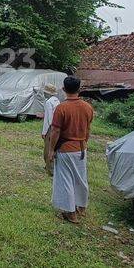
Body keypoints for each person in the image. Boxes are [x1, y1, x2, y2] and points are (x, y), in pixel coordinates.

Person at [44, 76, 94, 223]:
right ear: (79, 89)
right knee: (80, 179)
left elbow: (55, 131)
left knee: (66, 179)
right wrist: (84, 142)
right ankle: (81, 207)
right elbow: (88, 129)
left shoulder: (62, 108)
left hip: (66, 148)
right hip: (81, 148)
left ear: (64, 89)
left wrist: (51, 150)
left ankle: (70, 213)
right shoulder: (87, 107)